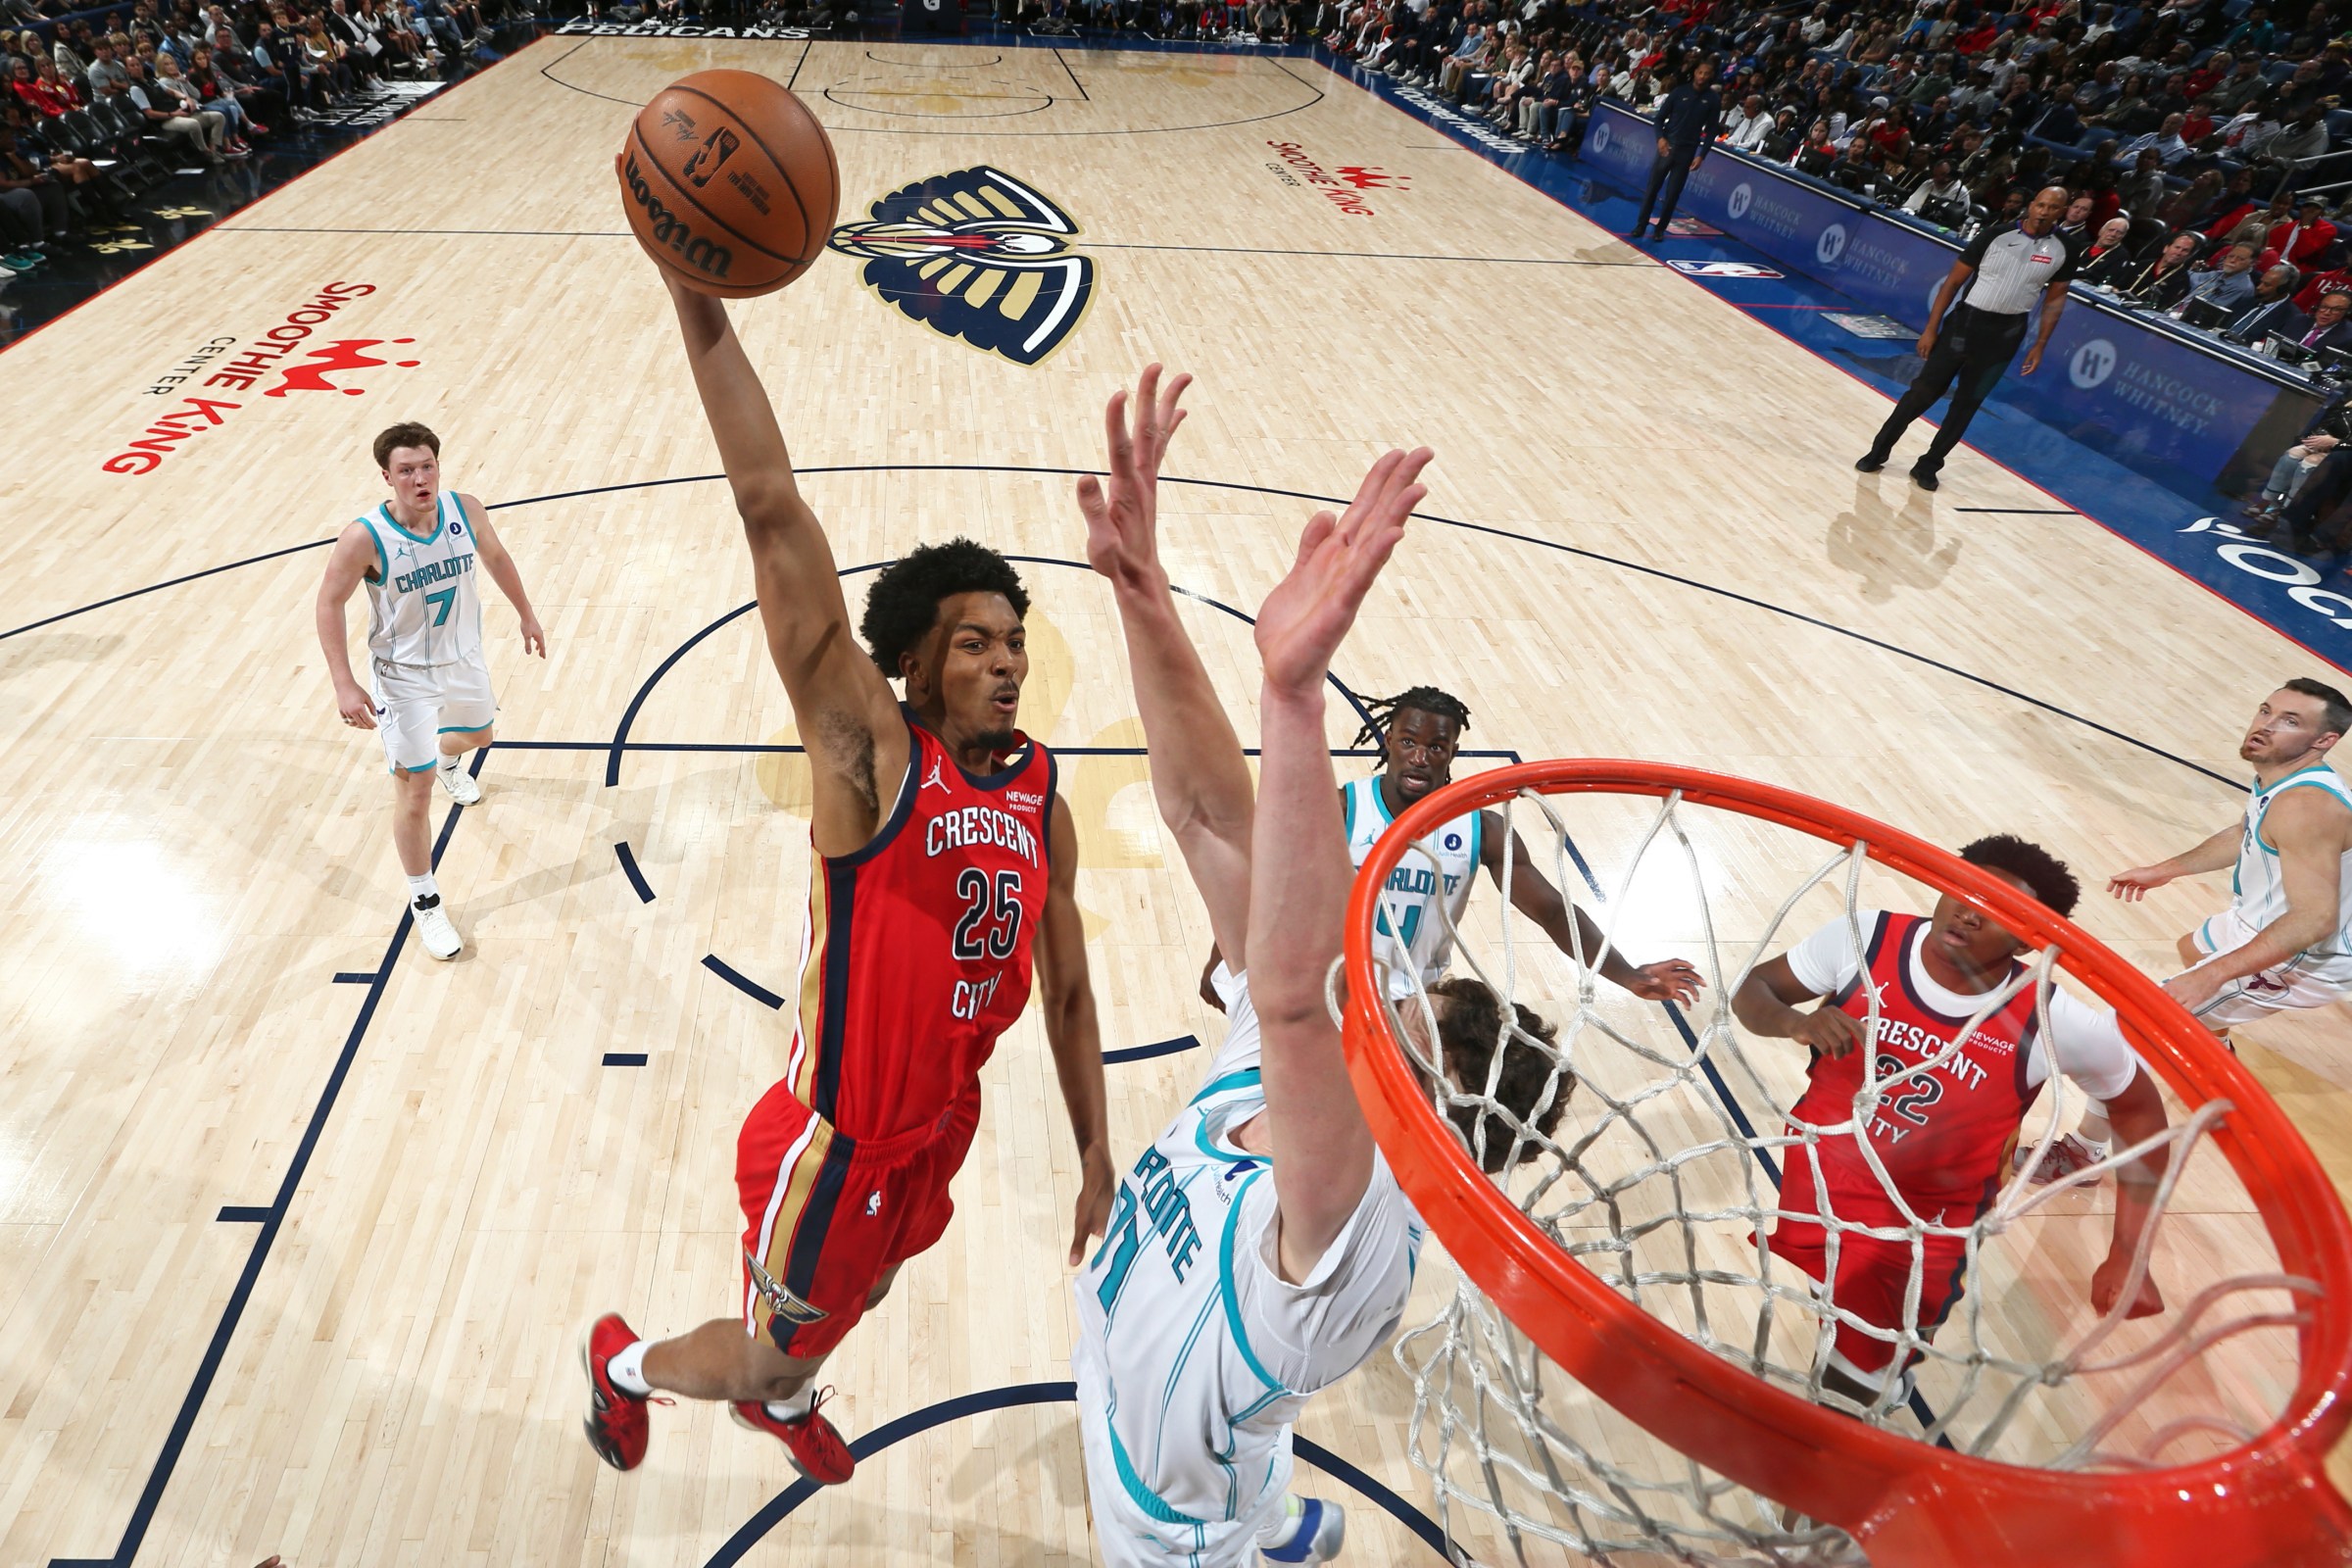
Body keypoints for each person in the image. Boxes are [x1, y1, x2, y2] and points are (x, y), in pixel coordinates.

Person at [579, 267, 1115, 1490]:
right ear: (914, 664)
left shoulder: (1041, 794)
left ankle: (795, 1381)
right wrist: (690, 293)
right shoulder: (874, 760)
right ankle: (626, 1367)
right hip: (840, 1138)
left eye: (1016, 639)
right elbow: (771, 510)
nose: (1007, 662)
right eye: (974, 641)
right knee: (770, 1355)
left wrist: (1095, 1148)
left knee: (872, 1280)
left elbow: (1071, 993)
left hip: (942, 1123)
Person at [1071, 366, 1564, 1566]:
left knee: (1235, 1468)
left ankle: (1258, 1527)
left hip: (1165, 1515)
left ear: (1432, 1117)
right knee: (1261, 1413)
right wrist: (1143, 599)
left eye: (1414, 1017)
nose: (1389, 992)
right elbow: (1209, 818)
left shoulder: (1355, 1232)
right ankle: (1279, 1499)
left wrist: (1291, 696)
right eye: (1412, 989)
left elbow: (1296, 1003)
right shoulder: (1328, 1072)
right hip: (1127, 1353)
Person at [1734, 835, 2169, 1403]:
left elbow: (2142, 1117)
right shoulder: (1865, 937)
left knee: (1851, 1385)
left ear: (2029, 939)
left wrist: (2129, 1251)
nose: (1968, 911)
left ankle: (1856, 1426)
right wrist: (1793, 1023)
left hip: (1919, 1230)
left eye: (1997, 911)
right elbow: (1754, 989)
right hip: (1817, 1178)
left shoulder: (2052, 1019)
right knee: (1834, 1315)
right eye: (1965, 891)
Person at [1198, 685, 1700, 1010]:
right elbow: (1263, 887)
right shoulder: (1340, 809)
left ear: (1452, 753)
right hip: (1328, 992)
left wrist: (1627, 974)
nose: (1420, 757)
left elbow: (1552, 913)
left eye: (1436, 747)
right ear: (1389, 741)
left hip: (1415, 1002)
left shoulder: (1483, 830)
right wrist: (1224, 960)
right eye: (1409, 742)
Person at [314, 423, 544, 960]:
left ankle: (445, 761)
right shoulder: (365, 537)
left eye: (426, 466)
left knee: (480, 738)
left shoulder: (466, 510)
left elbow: (498, 558)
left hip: (463, 660)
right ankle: (426, 901)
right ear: (387, 477)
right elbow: (328, 603)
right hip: (404, 676)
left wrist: (527, 613)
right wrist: (344, 682)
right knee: (413, 794)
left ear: (439, 465)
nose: (419, 479)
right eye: (406, 471)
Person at [2112, 680, 2352, 1032]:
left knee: (2143, 1024)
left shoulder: (2305, 806)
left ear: (2324, 741)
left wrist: (2213, 976)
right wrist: (2165, 870)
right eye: (2266, 710)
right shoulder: (2281, 777)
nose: (2265, 725)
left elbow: (2315, 920)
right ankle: (2215, 1046)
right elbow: (2245, 832)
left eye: (2290, 721)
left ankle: (2210, 1077)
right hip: (2258, 919)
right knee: (2193, 949)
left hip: (2305, 953)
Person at [1855, 183, 2077, 492]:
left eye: (2053, 208)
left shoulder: (2064, 249)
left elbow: (2055, 300)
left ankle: (1929, 465)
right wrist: (1931, 329)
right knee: (1922, 393)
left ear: (2062, 212)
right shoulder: (1995, 235)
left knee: (1967, 404)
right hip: (1965, 325)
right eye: (2041, 204)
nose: (2045, 212)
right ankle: (1879, 451)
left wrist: (2040, 344)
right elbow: (1952, 282)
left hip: (2006, 335)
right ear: (2033, 204)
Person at [1626, 58, 1719, 241]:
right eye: (1700, 72)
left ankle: (1660, 229)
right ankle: (1641, 225)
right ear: (1695, 73)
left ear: (1711, 76)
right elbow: (1659, 118)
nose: (1702, 76)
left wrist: (1702, 156)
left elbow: (1711, 132)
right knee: (1652, 188)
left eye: (1707, 73)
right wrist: (1660, 138)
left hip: (1687, 151)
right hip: (1668, 147)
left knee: (1673, 193)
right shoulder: (1679, 92)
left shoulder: (1712, 99)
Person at [2224, 264, 2310, 345]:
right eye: (2261, 282)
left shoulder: (2291, 318)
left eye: (2266, 285)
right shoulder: (2248, 299)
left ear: (2283, 289)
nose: (2259, 287)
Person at [2124, 228, 2202, 310]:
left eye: (2185, 250)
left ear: (2188, 256)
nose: (2178, 253)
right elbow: (2118, 286)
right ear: (2166, 248)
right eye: (2177, 247)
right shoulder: (2143, 264)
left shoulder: (2182, 281)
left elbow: (2163, 308)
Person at [2075, 215, 2140, 287]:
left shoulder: (2122, 257)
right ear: (2101, 231)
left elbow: (2108, 282)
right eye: (2111, 230)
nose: (2113, 234)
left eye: (2119, 232)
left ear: (2123, 236)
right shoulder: (2083, 246)